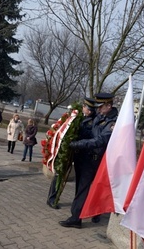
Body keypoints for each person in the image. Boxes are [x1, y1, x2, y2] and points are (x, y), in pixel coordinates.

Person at [59, 93, 118, 229]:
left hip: (94, 160)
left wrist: (77, 144)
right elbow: (90, 131)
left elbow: (100, 141)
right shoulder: (100, 116)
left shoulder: (112, 122)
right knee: (81, 188)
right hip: (85, 157)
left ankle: (76, 218)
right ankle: (91, 212)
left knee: (83, 189)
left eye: (101, 106)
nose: (97, 109)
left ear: (108, 106)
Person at [47, 97, 98, 209]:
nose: (86, 110)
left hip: (82, 153)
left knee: (80, 181)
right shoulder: (76, 116)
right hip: (69, 150)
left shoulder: (94, 121)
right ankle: (52, 198)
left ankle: (78, 204)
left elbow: (90, 136)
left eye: (88, 109)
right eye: (85, 107)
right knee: (60, 174)